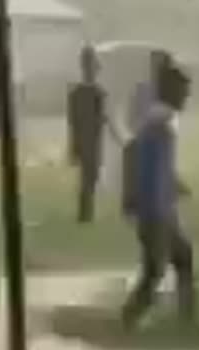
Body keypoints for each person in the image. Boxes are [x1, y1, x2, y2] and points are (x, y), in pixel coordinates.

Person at [121, 62, 196, 329]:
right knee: (155, 271)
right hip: (156, 213)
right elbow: (147, 166)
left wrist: (175, 184)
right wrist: (153, 207)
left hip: (161, 211)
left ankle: (186, 320)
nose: (187, 97)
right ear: (172, 92)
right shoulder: (159, 124)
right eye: (184, 92)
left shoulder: (157, 122)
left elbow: (153, 164)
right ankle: (129, 319)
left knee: (181, 259)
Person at [66, 46, 121, 224]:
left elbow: (74, 121)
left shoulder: (77, 93)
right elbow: (103, 118)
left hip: (86, 139)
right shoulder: (95, 93)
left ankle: (85, 212)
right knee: (90, 175)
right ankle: (85, 213)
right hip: (90, 140)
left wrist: (73, 144)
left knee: (88, 175)